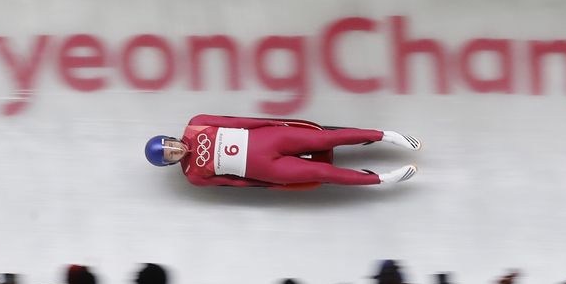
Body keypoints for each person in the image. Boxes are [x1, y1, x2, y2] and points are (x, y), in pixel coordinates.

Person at [145, 114, 421, 187]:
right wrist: (266, 185)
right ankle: (381, 179)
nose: (175, 150)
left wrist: (271, 123)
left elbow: (234, 122)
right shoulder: (193, 175)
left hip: (269, 139)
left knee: (325, 140)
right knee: (322, 172)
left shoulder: (196, 124)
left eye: (170, 145)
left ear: (171, 138)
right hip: (266, 170)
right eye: (170, 155)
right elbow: (232, 182)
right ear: (170, 163)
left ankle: (386, 135)